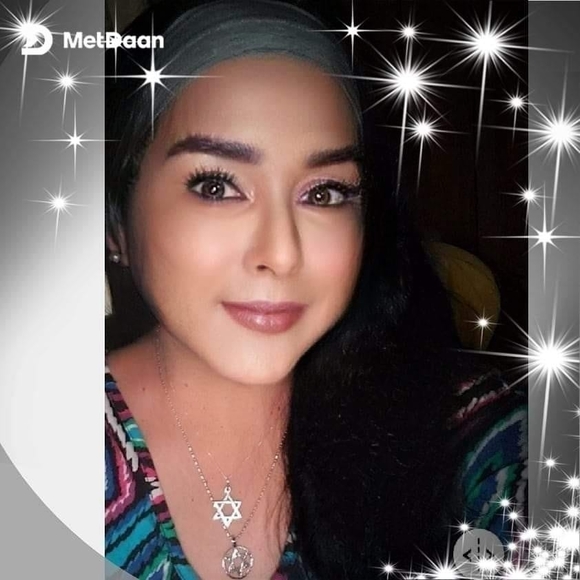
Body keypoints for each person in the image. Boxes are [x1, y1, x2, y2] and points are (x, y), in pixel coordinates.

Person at [104, 1, 528, 579]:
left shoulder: (465, 431)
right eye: (216, 185)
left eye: (325, 192)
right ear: (117, 222)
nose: (282, 253)